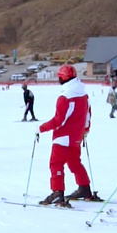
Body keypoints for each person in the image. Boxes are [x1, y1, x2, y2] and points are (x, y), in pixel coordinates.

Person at [35, 65, 94, 207]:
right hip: (76, 137)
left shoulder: (65, 97)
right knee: (75, 163)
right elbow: (88, 115)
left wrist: (41, 128)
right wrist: (85, 130)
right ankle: (84, 189)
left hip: (62, 137)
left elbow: (58, 121)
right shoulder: (83, 95)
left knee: (56, 164)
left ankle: (57, 193)